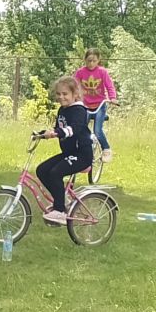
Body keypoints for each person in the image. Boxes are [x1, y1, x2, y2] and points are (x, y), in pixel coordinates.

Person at [33, 75, 94, 224]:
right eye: (58, 94)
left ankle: (60, 211)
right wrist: (44, 133)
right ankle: (61, 200)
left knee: (55, 173)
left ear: (75, 94)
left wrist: (58, 133)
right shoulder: (62, 110)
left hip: (82, 155)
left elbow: (74, 128)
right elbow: (59, 128)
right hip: (69, 153)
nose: (61, 97)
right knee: (42, 170)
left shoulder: (79, 110)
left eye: (65, 94)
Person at [72, 47, 118, 162]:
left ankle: (106, 149)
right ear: (85, 60)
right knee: (81, 128)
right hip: (85, 106)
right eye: (89, 61)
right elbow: (73, 85)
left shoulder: (102, 72)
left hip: (99, 105)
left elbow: (109, 86)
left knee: (97, 130)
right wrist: (73, 98)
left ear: (98, 60)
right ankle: (82, 150)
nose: (91, 63)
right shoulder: (80, 72)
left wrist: (113, 98)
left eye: (94, 61)